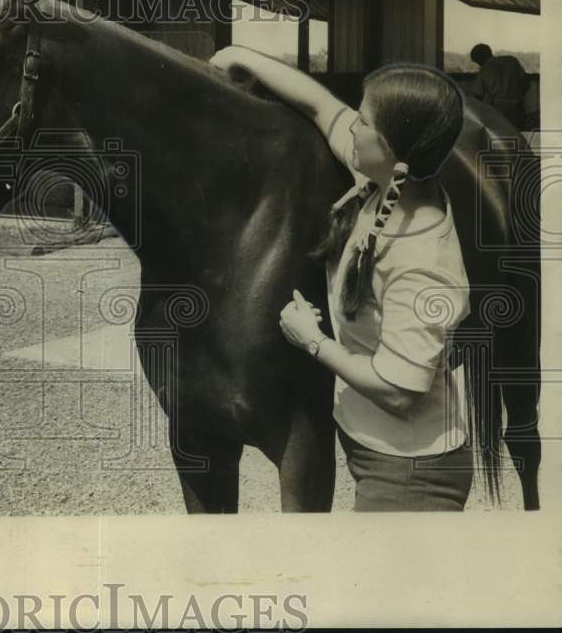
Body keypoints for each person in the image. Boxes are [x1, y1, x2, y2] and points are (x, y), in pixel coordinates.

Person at [210, 48, 473, 512]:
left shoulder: (421, 259)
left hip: (409, 472)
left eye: (365, 122)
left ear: (393, 149)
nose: (353, 126)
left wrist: (312, 341)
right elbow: (322, 107)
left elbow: (398, 391)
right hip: (384, 455)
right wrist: (241, 57)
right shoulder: (390, 181)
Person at [468, 43, 528, 130]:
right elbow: (526, 84)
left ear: (479, 60)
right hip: (518, 109)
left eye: (477, 62)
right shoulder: (511, 60)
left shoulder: (484, 70)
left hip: (499, 112)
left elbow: (476, 97)